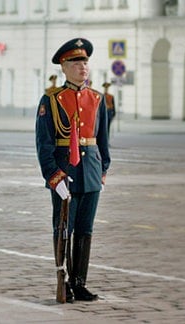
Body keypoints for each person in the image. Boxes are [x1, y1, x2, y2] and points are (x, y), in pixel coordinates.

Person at [35, 38, 110, 302]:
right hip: (64, 174)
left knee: (85, 229)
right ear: (64, 67)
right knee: (64, 228)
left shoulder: (97, 99)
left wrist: (103, 170)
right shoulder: (52, 100)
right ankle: (64, 281)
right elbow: (44, 144)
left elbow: (103, 140)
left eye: (85, 61)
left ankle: (80, 283)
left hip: (90, 172)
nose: (82, 67)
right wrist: (54, 177)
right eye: (76, 62)